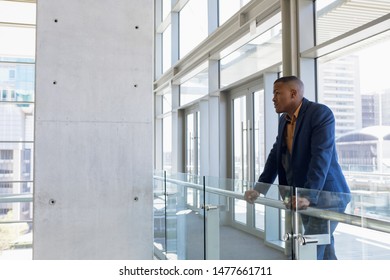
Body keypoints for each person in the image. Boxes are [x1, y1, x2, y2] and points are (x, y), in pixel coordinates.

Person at [244, 75, 350, 260]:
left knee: (310, 248)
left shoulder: (320, 113)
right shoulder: (284, 120)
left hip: (327, 196)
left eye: (277, 93)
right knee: (323, 248)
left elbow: (321, 157)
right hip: (300, 196)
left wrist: (307, 195)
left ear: (293, 94)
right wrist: (259, 189)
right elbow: (275, 156)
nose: (273, 98)